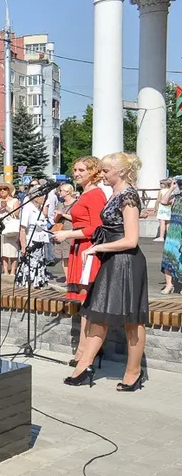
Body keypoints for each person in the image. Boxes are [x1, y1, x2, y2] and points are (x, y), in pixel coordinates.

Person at [65, 152, 148, 391]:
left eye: (105, 170)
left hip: (127, 262)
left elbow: (131, 240)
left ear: (120, 171)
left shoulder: (128, 196)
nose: (101, 174)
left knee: (132, 320)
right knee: (97, 313)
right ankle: (84, 365)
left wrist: (97, 247)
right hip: (111, 260)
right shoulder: (114, 194)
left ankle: (133, 372)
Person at [52, 156, 107, 365]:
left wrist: (67, 234)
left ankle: (86, 350)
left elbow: (96, 227)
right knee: (84, 298)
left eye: (82, 170)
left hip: (88, 248)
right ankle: (87, 348)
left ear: (93, 172)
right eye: (75, 170)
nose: (76, 173)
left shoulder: (95, 194)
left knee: (87, 298)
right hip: (79, 246)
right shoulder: (85, 193)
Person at [16, 190, 53, 289]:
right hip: (31, 244)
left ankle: (37, 285)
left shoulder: (39, 209)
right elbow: (22, 229)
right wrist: (24, 246)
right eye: (42, 196)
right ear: (35, 197)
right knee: (30, 267)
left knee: (39, 266)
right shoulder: (27, 208)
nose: (44, 198)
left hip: (40, 243)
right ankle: (29, 286)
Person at [0, 181, 21, 276]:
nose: (2, 191)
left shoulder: (15, 201)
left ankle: (13, 271)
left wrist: (7, 207)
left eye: (4, 189)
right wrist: (0, 208)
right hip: (1, 228)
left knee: (13, 250)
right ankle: (5, 271)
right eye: (0, 189)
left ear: (8, 190)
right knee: (3, 250)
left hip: (12, 227)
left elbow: (17, 214)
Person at [162, 178, 182, 294]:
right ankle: (169, 285)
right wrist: (171, 188)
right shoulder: (175, 198)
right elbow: (163, 201)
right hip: (173, 232)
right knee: (168, 257)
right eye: (180, 185)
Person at [154, 177, 176, 242]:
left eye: (161, 183)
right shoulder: (172, 191)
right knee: (168, 223)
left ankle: (161, 237)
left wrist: (155, 207)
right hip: (168, 208)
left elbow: (158, 200)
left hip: (162, 208)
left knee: (162, 222)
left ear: (165, 184)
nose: (160, 185)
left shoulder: (161, 191)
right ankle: (169, 236)